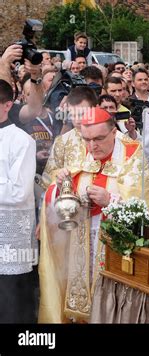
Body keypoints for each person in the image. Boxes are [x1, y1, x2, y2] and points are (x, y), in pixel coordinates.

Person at [38, 107, 149, 323]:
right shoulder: (82, 152)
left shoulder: (132, 156)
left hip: (114, 249)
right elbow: (53, 197)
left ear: (114, 132)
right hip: (79, 247)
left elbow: (146, 208)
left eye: (99, 139)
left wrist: (110, 200)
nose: (92, 146)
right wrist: (61, 186)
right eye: (87, 140)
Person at [0, 79, 37, 323]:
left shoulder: (22, 141)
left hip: (11, 242)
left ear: (7, 105)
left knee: (11, 309)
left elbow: (19, 192)